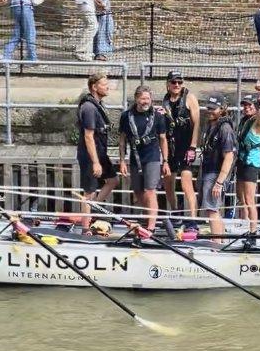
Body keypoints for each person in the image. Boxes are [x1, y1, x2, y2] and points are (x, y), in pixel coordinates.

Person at [118, 85, 170, 232]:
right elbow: (122, 140)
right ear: (136, 99)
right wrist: (122, 160)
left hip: (152, 157)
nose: (145, 101)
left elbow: (163, 139)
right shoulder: (126, 116)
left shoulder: (158, 117)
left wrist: (165, 161)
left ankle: (151, 227)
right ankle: (148, 217)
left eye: (148, 98)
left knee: (150, 191)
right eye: (142, 99)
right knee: (138, 191)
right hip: (135, 158)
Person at [77, 72, 120, 232]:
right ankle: (85, 228)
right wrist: (95, 162)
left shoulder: (99, 104)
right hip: (90, 155)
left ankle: (94, 208)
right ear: (94, 87)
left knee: (113, 180)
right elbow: (88, 136)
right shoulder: (88, 107)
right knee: (89, 191)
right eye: (104, 84)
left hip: (101, 152)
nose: (107, 86)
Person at [160, 70, 199, 229]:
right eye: (174, 82)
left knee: (186, 184)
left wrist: (193, 146)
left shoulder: (190, 98)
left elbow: (197, 124)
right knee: (168, 182)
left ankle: (193, 219)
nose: (177, 85)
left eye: (179, 82)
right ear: (168, 84)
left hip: (186, 146)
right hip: (171, 147)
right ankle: (176, 213)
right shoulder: (165, 100)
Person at [198, 94, 235, 237]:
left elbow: (229, 156)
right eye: (209, 108)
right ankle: (218, 240)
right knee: (213, 210)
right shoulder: (211, 124)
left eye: (214, 109)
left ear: (222, 109)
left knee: (212, 209)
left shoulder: (225, 128)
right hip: (208, 170)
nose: (210, 111)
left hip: (216, 174)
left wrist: (219, 182)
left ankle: (217, 243)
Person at [235, 95, 260, 238]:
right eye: (245, 105)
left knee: (249, 199)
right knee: (240, 197)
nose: (246, 108)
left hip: (251, 164)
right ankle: (243, 224)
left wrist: (259, 108)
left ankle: (253, 232)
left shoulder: (258, 122)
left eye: (250, 106)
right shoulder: (244, 121)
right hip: (241, 162)